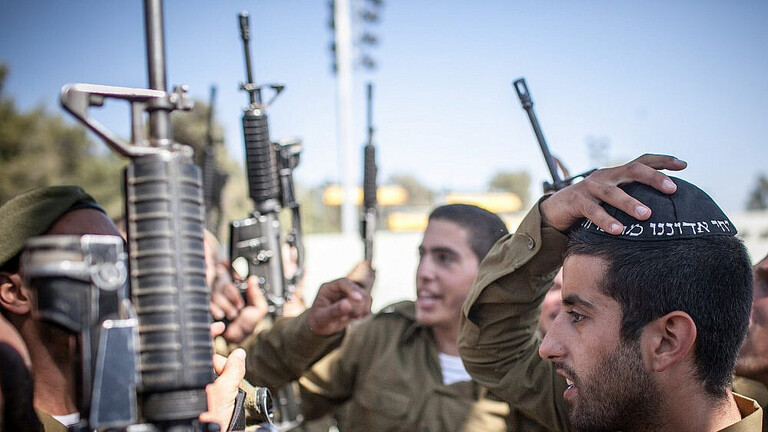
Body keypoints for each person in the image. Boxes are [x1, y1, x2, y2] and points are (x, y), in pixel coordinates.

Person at [459, 154, 762, 432]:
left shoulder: (609, 396)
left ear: (667, 340)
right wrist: (551, 219)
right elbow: (493, 348)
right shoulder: (614, 405)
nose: (547, 346)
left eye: (577, 316)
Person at [243, 204, 527, 431]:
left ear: (491, 271)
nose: (424, 272)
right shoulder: (382, 336)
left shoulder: (525, 369)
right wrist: (311, 330)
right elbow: (278, 398)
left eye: (444, 258)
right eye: (422, 255)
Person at [0, 186, 245, 432]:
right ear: (15, 292)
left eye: (123, 257)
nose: (117, 277)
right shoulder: (15, 420)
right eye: (94, 260)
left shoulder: (146, 398)